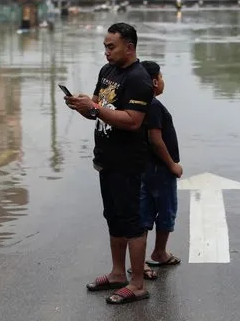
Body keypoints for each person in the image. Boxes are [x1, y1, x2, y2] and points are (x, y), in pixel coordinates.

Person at [64, 22, 154, 305]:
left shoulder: (139, 78)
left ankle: (137, 283)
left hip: (128, 162)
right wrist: (82, 104)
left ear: (129, 46)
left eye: (111, 46)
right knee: (113, 217)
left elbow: (132, 120)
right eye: (104, 46)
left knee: (132, 222)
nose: (106, 52)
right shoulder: (108, 72)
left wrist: (95, 108)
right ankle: (117, 273)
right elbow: (97, 107)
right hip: (106, 158)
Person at [137, 61, 182, 279]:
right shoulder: (153, 105)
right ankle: (160, 253)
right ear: (154, 82)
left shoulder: (139, 104)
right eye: (161, 77)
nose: (163, 81)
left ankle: (141, 261)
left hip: (145, 168)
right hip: (160, 169)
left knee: (143, 213)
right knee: (165, 209)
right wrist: (172, 164)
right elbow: (155, 140)